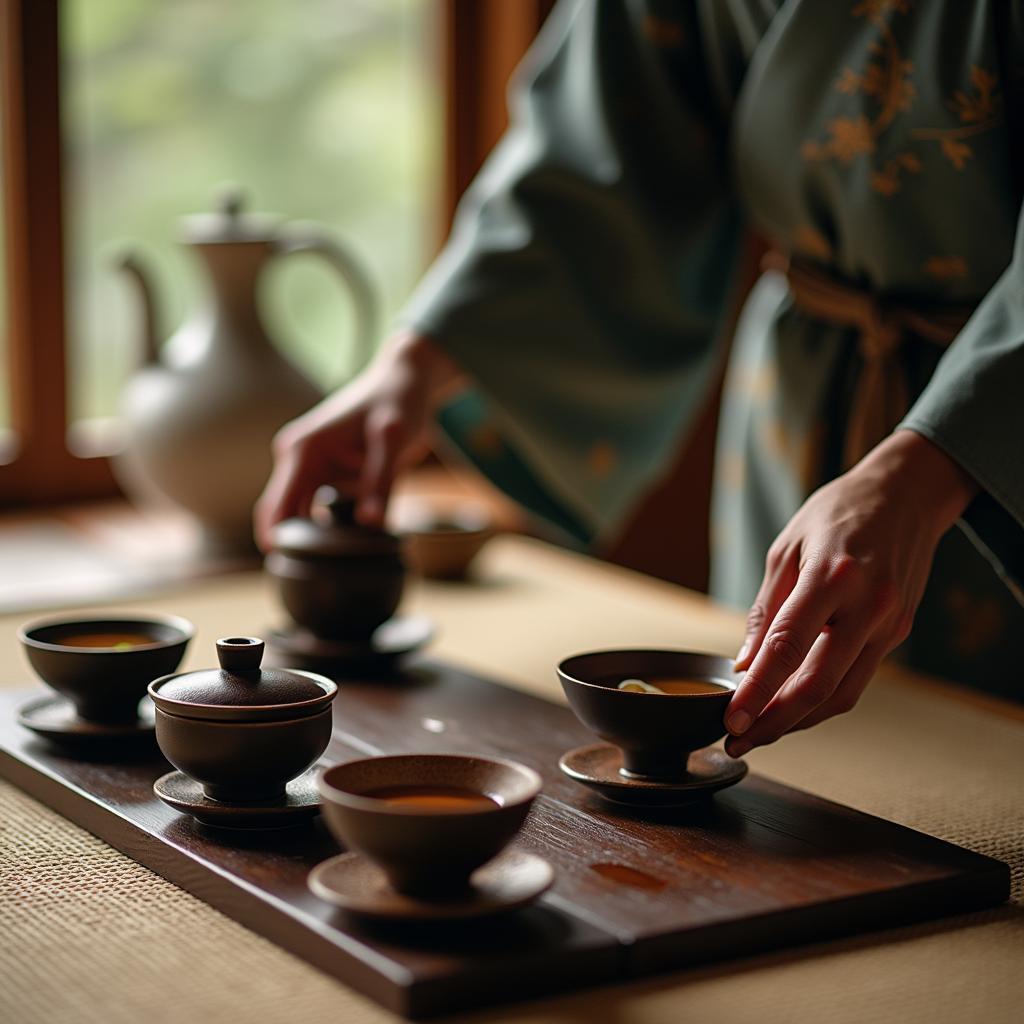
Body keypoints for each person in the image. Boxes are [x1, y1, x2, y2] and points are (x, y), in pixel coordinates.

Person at [256, 0, 1024, 756]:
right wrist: (415, 361)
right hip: (807, 399)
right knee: (776, 754)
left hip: (995, 429)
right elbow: (596, 151)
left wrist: (922, 470)